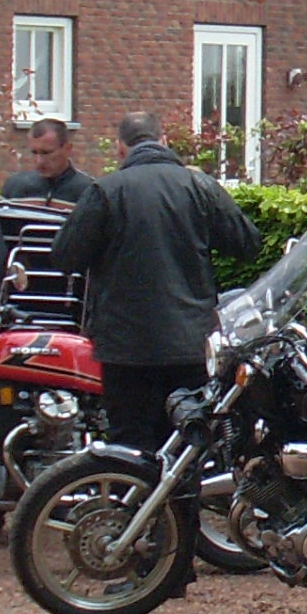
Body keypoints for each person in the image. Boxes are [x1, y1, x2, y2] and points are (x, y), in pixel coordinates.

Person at [53, 114, 261, 455]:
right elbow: (247, 243)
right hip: (189, 345)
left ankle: (133, 490)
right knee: (185, 448)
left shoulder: (105, 191)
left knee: (129, 449)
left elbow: (64, 256)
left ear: (120, 148)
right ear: (164, 140)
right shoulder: (198, 186)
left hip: (125, 349)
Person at [0, 118, 98, 208]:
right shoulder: (14, 186)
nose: (39, 161)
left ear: (67, 149)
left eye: (46, 153)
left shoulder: (89, 191)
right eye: (34, 153)